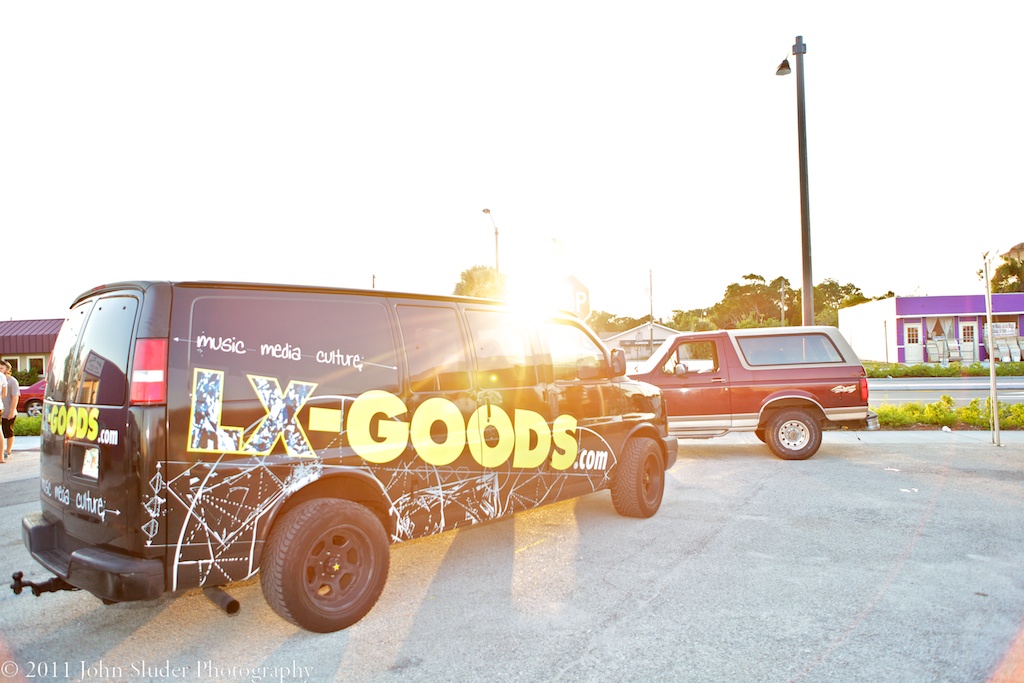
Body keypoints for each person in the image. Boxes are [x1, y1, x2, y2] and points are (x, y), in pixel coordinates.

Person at [1, 362, 18, 462]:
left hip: (8, 411)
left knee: (8, 431)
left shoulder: (12, 381)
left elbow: (15, 397)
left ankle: (8, 451)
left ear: (7, 370)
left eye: (1, 368)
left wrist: (11, 411)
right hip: (1, 410)